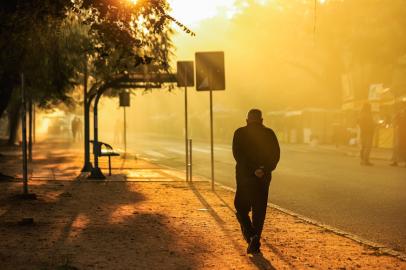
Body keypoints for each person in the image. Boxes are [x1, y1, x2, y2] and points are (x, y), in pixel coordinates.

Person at [232, 109, 280, 254]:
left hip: (245, 177)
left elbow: (238, 155)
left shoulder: (239, 133)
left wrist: (252, 169)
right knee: (259, 211)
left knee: (240, 208)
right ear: (262, 120)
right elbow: (275, 155)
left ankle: (252, 236)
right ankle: (255, 238)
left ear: (247, 120)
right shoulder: (270, 134)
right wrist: (263, 169)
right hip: (263, 179)